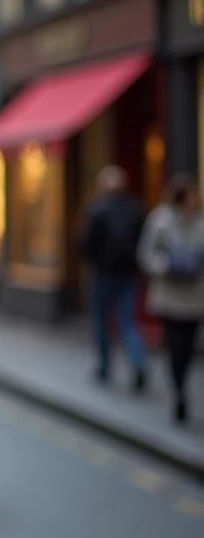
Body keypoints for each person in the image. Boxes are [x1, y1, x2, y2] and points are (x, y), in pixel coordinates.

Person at [138, 175, 204, 425]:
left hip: (196, 296)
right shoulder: (159, 220)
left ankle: (181, 383)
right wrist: (163, 266)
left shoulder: (201, 221)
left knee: (188, 348)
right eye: (190, 197)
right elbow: (145, 254)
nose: (194, 201)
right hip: (169, 295)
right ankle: (179, 392)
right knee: (176, 347)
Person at [79, 166, 148, 391]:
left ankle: (105, 367)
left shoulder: (97, 209)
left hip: (103, 274)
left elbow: (86, 243)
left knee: (102, 322)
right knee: (128, 322)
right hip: (128, 274)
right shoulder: (135, 208)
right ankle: (138, 363)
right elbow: (143, 241)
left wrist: (94, 260)